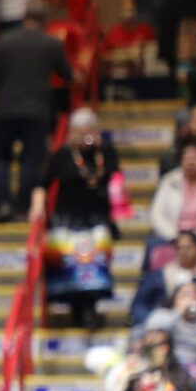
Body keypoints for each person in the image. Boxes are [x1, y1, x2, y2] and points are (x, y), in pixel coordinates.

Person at [0, 8, 74, 221]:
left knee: (1, 158)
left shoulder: (5, 41)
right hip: (37, 111)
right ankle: (24, 207)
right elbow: (67, 74)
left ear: (24, 20)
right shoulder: (51, 43)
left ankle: (2, 205)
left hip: (5, 109)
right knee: (31, 160)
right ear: (44, 21)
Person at [48, 107, 122, 328]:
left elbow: (115, 181)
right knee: (71, 264)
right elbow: (43, 183)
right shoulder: (62, 155)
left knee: (95, 263)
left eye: (89, 130)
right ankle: (77, 308)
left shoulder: (107, 153)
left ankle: (91, 308)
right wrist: (36, 207)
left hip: (98, 217)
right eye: (80, 131)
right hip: (67, 219)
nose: (85, 135)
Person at [153, 140, 196, 245]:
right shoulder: (169, 180)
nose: (191, 162)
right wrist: (174, 236)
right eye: (187, 158)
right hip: (172, 237)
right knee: (153, 246)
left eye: (195, 158)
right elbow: (157, 214)